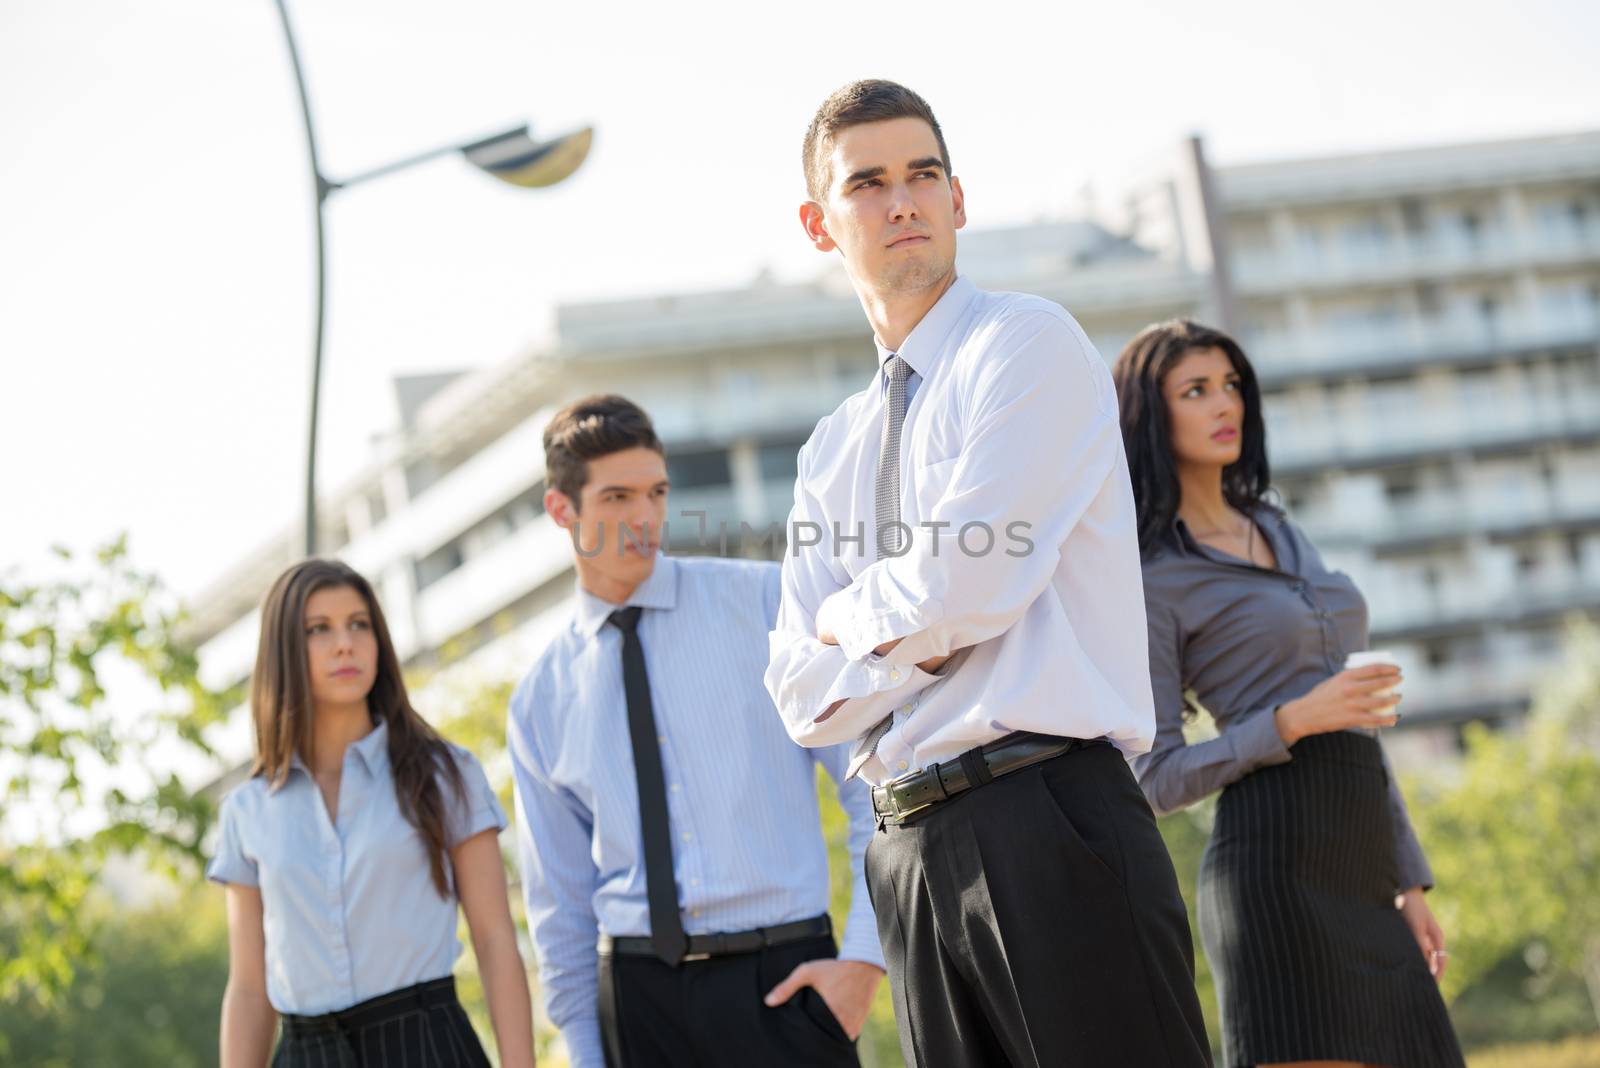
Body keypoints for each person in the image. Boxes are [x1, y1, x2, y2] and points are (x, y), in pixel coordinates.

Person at [765, 79, 1211, 1068]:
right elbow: (797, 696)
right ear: (817, 223)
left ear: (957, 201)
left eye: (924, 175)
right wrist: (912, 639)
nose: (903, 202)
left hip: (1047, 818)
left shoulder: (1025, 343)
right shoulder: (827, 452)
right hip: (906, 858)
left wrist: (850, 623)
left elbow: (969, 587)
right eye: (868, 183)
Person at [1112, 318, 1467, 1068]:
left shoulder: (1277, 526)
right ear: (1152, 415)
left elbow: (1358, 719)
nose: (1224, 405)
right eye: (1196, 390)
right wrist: (1289, 722)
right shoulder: (1153, 576)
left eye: (1231, 385)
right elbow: (1153, 779)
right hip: (1274, 876)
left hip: (1365, 860)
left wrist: (1407, 879)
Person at [507, 394, 885, 1068]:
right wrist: (590, 1055)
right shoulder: (540, 698)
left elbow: (872, 782)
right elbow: (559, 907)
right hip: (637, 1004)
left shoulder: (766, 605)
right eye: (617, 497)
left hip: (786, 988)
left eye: (656, 492)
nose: (645, 518)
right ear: (562, 510)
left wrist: (862, 961)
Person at [209, 559, 534, 1068]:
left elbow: (495, 941)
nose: (345, 644)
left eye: (359, 624)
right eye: (319, 629)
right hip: (304, 1052)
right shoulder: (248, 810)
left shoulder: (446, 775)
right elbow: (250, 988)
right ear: (283, 652)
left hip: (427, 1045)